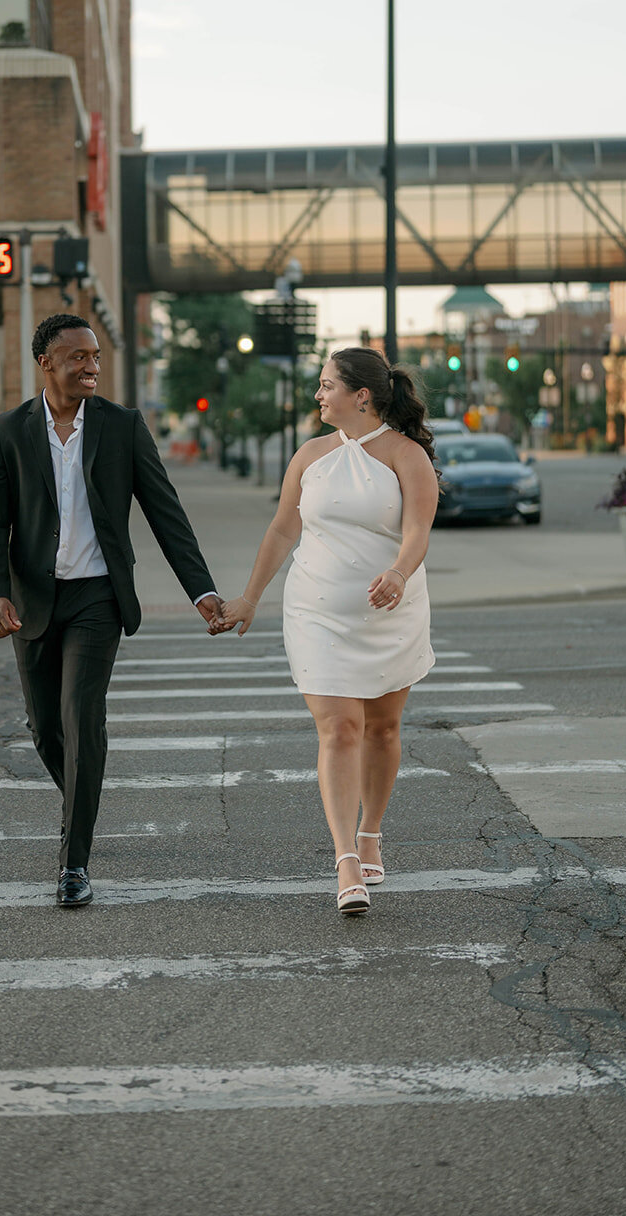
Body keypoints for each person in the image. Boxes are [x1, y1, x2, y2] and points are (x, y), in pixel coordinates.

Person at [0, 314, 224, 908]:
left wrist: (201, 591)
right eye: (78, 357)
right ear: (46, 363)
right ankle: (80, 803)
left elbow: (165, 512)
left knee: (82, 718)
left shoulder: (122, 426)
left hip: (98, 597)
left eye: (96, 357)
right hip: (32, 600)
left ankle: (73, 863)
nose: (91, 366)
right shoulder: (8, 430)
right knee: (45, 728)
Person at [218, 348, 439, 916]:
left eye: (326, 385)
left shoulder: (406, 455)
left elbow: (419, 530)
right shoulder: (310, 455)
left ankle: (371, 833)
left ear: (360, 396)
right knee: (339, 728)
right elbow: (282, 529)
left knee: (382, 730)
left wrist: (398, 573)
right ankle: (345, 860)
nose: (318, 395)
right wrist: (249, 598)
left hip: (390, 610)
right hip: (315, 610)